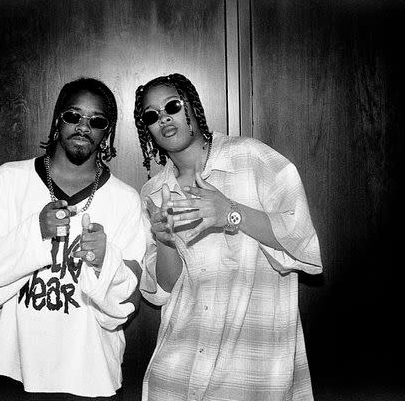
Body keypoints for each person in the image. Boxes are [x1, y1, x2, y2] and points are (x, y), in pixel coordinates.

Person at [133, 73, 322, 400]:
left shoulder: (251, 158)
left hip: (252, 368)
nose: (163, 117)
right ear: (146, 129)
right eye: (151, 115)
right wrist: (164, 242)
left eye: (172, 106)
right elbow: (161, 290)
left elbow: (303, 241)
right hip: (180, 367)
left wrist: (232, 212)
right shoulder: (154, 192)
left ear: (192, 107)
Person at [0, 77, 146, 400]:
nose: (83, 127)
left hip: (86, 374)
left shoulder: (125, 199)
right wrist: (36, 231)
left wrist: (106, 260)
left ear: (107, 132)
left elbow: (127, 304)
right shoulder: (10, 179)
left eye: (97, 121)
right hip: (7, 366)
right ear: (58, 119)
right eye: (74, 116)